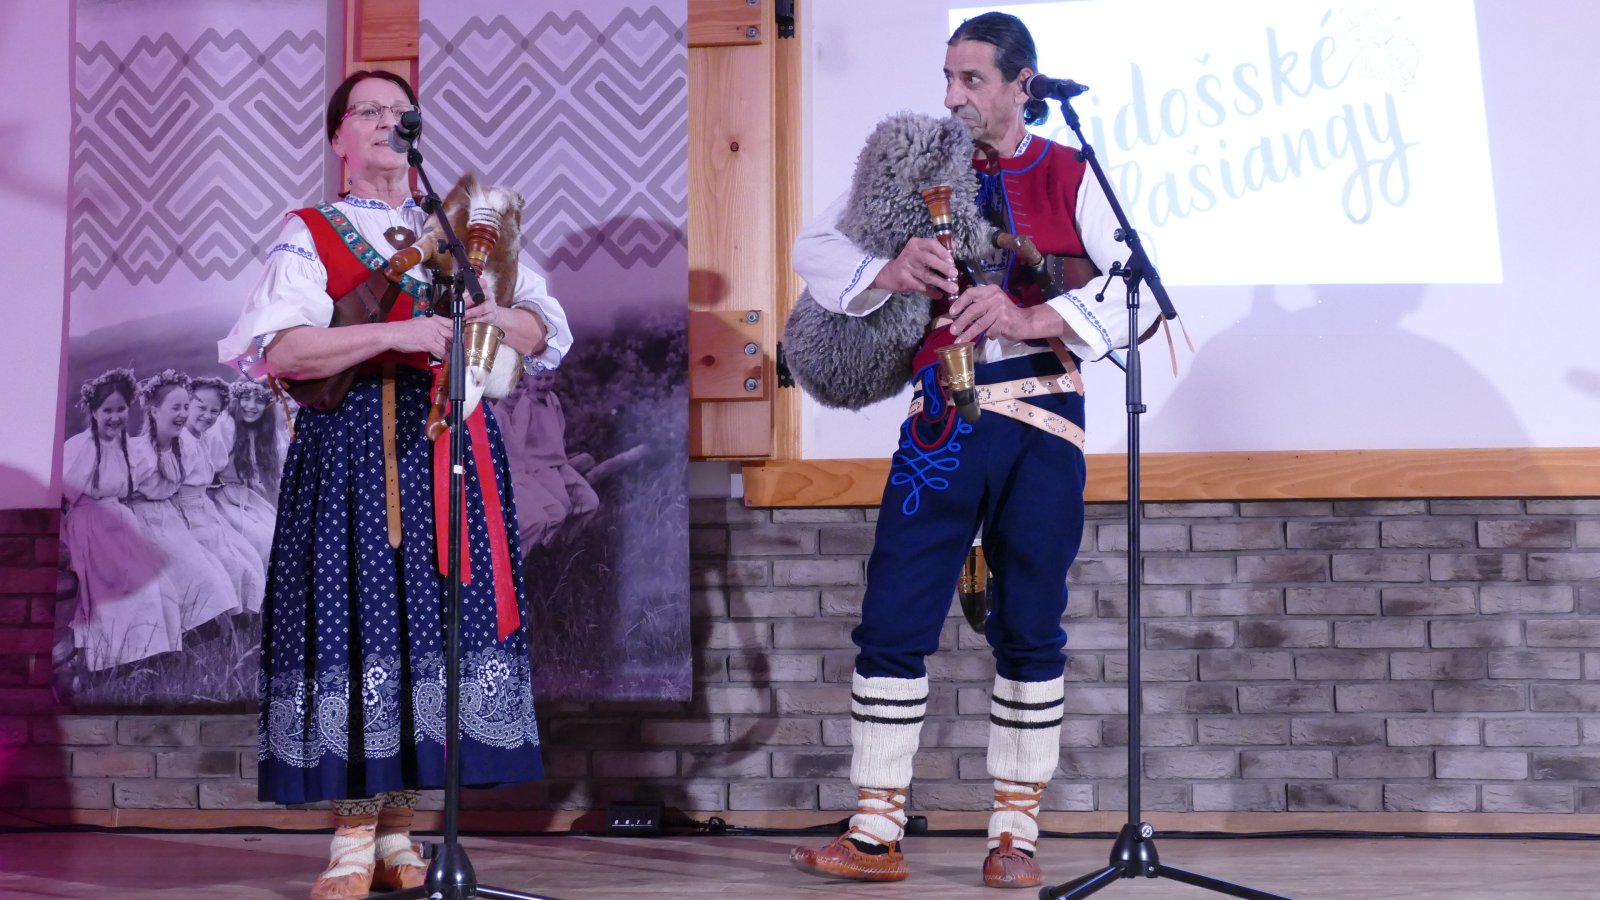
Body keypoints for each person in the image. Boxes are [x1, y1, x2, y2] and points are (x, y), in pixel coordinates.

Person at [789, 12, 1160, 889]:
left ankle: (1014, 837)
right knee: (894, 615)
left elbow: (1139, 290)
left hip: (1043, 427)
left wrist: (1029, 317)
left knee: (1031, 624)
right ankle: (874, 832)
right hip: (942, 424)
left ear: (1022, 84)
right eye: (947, 78)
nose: (953, 96)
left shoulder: (1070, 171)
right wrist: (889, 271)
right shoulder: (917, 160)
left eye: (972, 80)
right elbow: (815, 245)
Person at [217, 69, 570, 900]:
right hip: (352, 452)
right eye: (367, 111)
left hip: (449, 447)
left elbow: (544, 329)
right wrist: (397, 333)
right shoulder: (311, 231)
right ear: (337, 136)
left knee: (430, 630)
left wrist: (499, 318)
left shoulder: (459, 228)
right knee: (358, 624)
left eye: (400, 113)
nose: (386, 122)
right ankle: (351, 840)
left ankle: (401, 832)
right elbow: (284, 351)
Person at [60, 368, 180, 671]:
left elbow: (143, 484)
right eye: (107, 411)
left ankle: (144, 653)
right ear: (94, 412)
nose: (115, 417)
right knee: (121, 587)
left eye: (121, 409)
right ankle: (113, 659)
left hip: (118, 521)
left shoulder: (126, 446)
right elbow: (64, 495)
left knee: (158, 584)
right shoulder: (82, 447)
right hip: (90, 526)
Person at [124, 370, 244, 636]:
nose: (182, 414)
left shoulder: (177, 447)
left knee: (214, 571)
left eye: (185, 407)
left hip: (168, 517)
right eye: (175, 408)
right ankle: (185, 632)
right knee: (196, 573)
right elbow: (123, 489)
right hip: (144, 521)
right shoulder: (140, 449)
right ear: (154, 412)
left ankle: (211, 631)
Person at [491, 367, 598, 557]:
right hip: (535, 467)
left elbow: (559, 430)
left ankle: (565, 545)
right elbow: (515, 446)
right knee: (560, 507)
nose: (543, 384)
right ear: (528, 379)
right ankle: (544, 552)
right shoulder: (521, 405)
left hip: (558, 463)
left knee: (590, 501)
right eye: (538, 379)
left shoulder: (552, 399)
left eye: (548, 378)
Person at [205, 377, 282, 564]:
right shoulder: (226, 425)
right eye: (246, 398)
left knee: (280, 536)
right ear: (237, 400)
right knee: (263, 541)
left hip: (248, 497)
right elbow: (207, 472)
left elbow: (270, 482)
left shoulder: (264, 432)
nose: (251, 406)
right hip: (221, 497)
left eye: (259, 401)